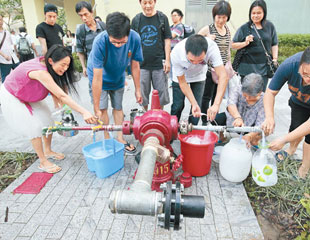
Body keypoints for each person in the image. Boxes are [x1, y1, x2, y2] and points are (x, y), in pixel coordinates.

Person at [0, 45, 97, 174]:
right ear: (51, 61)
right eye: (63, 65)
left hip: (27, 94)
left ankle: (48, 151)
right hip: (12, 95)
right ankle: (42, 161)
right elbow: (62, 95)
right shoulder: (41, 72)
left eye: (67, 65)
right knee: (33, 127)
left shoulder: (49, 65)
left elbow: (59, 93)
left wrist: (63, 107)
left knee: (48, 121)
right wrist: (84, 112)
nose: (65, 68)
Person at [87, 12, 143, 154]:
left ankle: (119, 137)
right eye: (114, 42)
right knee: (103, 109)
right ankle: (107, 138)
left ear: (128, 33)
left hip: (118, 76)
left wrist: (137, 89)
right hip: (99, 78)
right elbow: (97, 78)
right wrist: (96, 107)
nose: (118, 45)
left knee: (118, 107)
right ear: (108, 33)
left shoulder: (134, 38)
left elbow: (135, 65)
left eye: (122, 42)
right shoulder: (100, 41)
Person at [262, 47, 310, 178]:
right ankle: (291, 150)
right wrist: (269, 117)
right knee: (295, 128)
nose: (308, 79)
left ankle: (304, 169)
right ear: (299, 65)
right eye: (305, 74)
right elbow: (270, 93)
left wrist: (283, 139)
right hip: (299, 103)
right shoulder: (289, 65)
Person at [170, 34, 228, 124]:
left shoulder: (212, 47)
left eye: (200, 60)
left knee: (197, 108)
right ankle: (173, 127)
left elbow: (223, 76)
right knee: (178, 105)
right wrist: (193, 103)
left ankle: (193, 131)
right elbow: (182, 83)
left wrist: (216, 104)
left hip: (199, 76)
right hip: (181, 77)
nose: (196, 63)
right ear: (186, 52)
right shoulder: (176, 53)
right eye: (192, 60)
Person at [131, 0, 172, 111]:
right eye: (145, 3)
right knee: (143, 95)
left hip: (159, 63)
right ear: (140, 3)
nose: (148, 6)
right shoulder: (136, 20)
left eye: (150, 2)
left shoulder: (162, 18)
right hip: (142, 64)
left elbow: (167, 40)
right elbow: (132, 43)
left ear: (155, 2)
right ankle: (145, 115)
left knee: (160, 94)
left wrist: (168, 60)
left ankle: (159, 116)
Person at [199, 0, 233, 126]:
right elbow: (195, 41)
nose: (221, 20)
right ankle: (203, 120)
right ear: (214, 16)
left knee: (217, 96)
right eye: (219, 17)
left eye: (224, 17)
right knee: (206, 96)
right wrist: (205, 38)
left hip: (222, 70)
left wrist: (229, 63)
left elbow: (228, 47)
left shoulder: (227, 29)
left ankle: (213, 119)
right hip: (209, 70)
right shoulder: (208, 28)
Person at [232, 0, 278, 91]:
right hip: (246, 69)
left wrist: (275, 59)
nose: (256, 15)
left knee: (261, 94)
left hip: (264, 68)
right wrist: (245, 43)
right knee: (246, 95)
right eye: (253, 13)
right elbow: (233, 45)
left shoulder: (270, 26)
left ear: (264, 13)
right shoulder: (244, 28)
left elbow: (274, 43)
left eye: (258, 13)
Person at [213, 73, 265, 146]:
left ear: (259, 93)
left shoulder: (264, 99)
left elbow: (260, 123)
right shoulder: (237, 88)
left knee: (264, 129)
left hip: (250, 126)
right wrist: (237, 117)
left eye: (250, 97)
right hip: (234, 121)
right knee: (214, 119)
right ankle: (223, 137)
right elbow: (231, 104)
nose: (247, 99)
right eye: (245, 95)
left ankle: (254, 141)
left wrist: (250, 136)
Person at [75, 1, 106, 77]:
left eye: (85, 14)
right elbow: (80, 51)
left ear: (91, 12)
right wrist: (84, 67)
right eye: (81, 15)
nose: (84, 18)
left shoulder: (104, 27)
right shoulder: (80, 31)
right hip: (92, 67)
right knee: (94, 88)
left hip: (107, 65)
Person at [0, 15, 19, 83]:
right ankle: (4, 92)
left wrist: (16, 53)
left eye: (1, 19)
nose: (0, 22)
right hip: (3, 60)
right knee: (5, 77)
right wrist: (4, 55)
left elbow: (11, 44)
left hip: (13, 58)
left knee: (20, 73)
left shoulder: (7, 32)